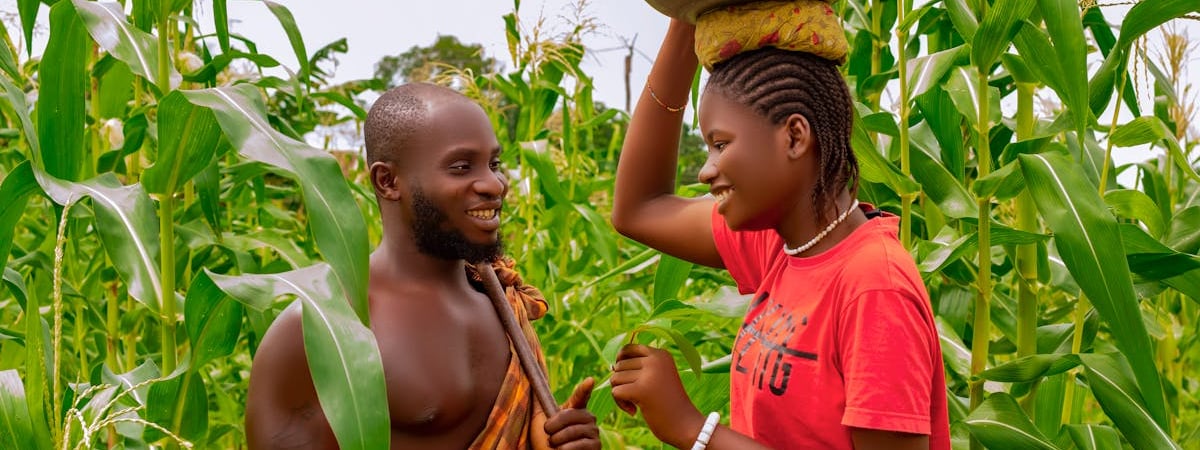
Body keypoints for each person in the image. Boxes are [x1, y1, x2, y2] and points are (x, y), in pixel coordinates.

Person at [608, 6, 951, 450]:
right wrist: (686, 20)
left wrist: (694, 430)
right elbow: (639, 209)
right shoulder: (783, 246)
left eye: (720, 144)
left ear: (794, 136)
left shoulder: (873, 288)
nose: (706, 172)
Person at [245, 82, 601, 450]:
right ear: (388, 181)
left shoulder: (504, 303)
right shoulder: (321, 330)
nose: (495, 184)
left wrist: (554, 439)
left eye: (494, 164)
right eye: (462, 167)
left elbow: (525, 424)